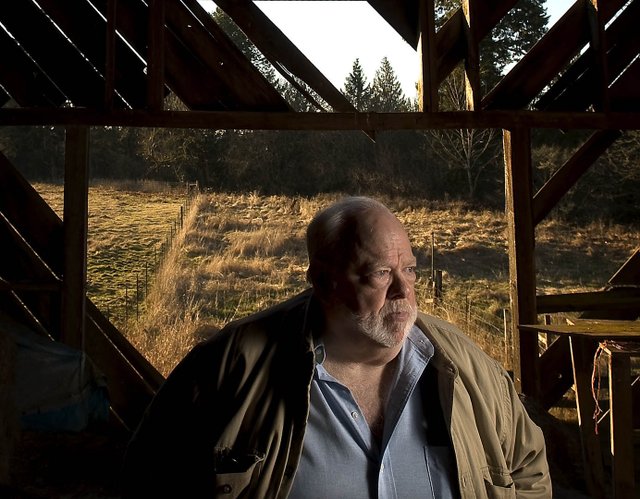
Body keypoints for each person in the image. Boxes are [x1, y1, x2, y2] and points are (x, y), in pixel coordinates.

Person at [120, 196, 551, 498]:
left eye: (411, 270)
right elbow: (147, 477)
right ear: (324, 281)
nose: (405, 291)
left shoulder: (467, 366)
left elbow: (527, 465)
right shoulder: (230, 367)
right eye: (381, 274)